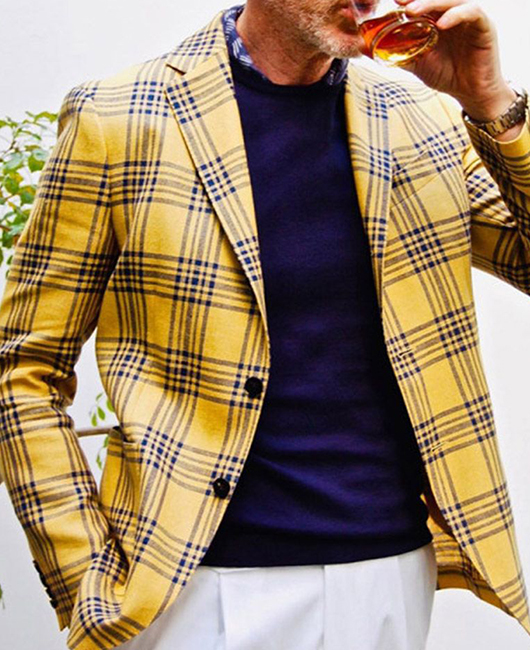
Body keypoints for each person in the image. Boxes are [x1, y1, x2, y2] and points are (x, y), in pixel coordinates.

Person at [0, 0, 529, 648]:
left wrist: (492, 102)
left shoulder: (425, 117)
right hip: (195, 588)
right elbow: (22, 366)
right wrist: (83, 574)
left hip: (389, 572)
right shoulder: (119, 116)